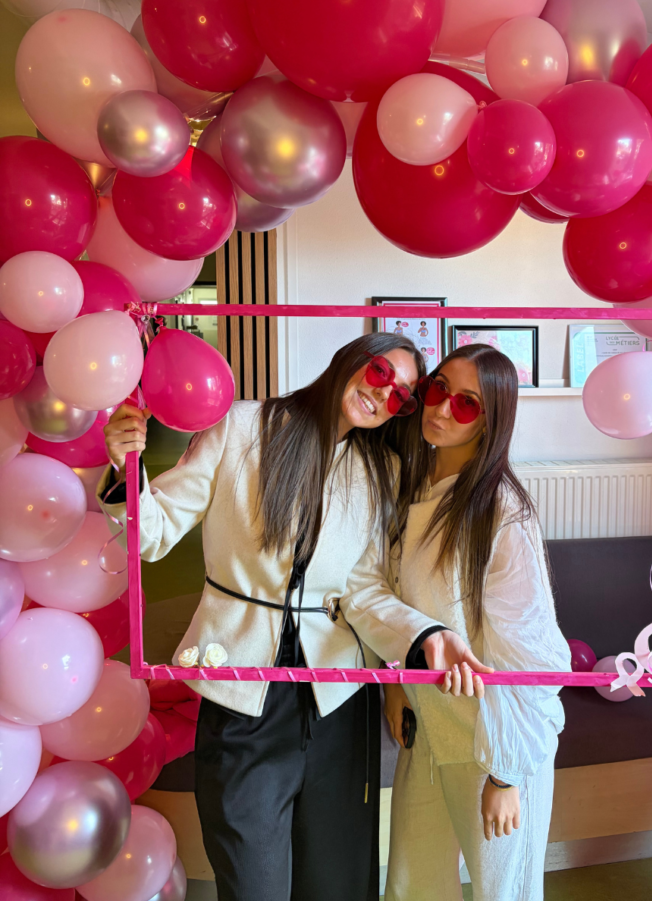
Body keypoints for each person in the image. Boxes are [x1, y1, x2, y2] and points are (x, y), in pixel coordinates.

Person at [98, 333, 424, 901]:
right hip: (241, 689)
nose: (383, 394)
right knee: (254, 882)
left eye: (400, 397)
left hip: (338, 697)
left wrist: (419, 643)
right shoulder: (243, 425)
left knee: (336, 882)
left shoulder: (382, 470)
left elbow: (365, 588)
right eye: (379, 373)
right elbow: (153, 533)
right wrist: (126, 466)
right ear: (350, 359)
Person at [342, 343, 571, 901]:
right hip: (429, 728)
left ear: (490, 421)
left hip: (492, 740)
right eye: (438, 389)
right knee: (412, 885)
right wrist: (396, 683)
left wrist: (507, 773)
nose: (442, 409)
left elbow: (533, 656)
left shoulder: (501, 513)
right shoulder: (409, 484)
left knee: (503, 892)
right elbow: (384, 596)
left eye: (466, 404)